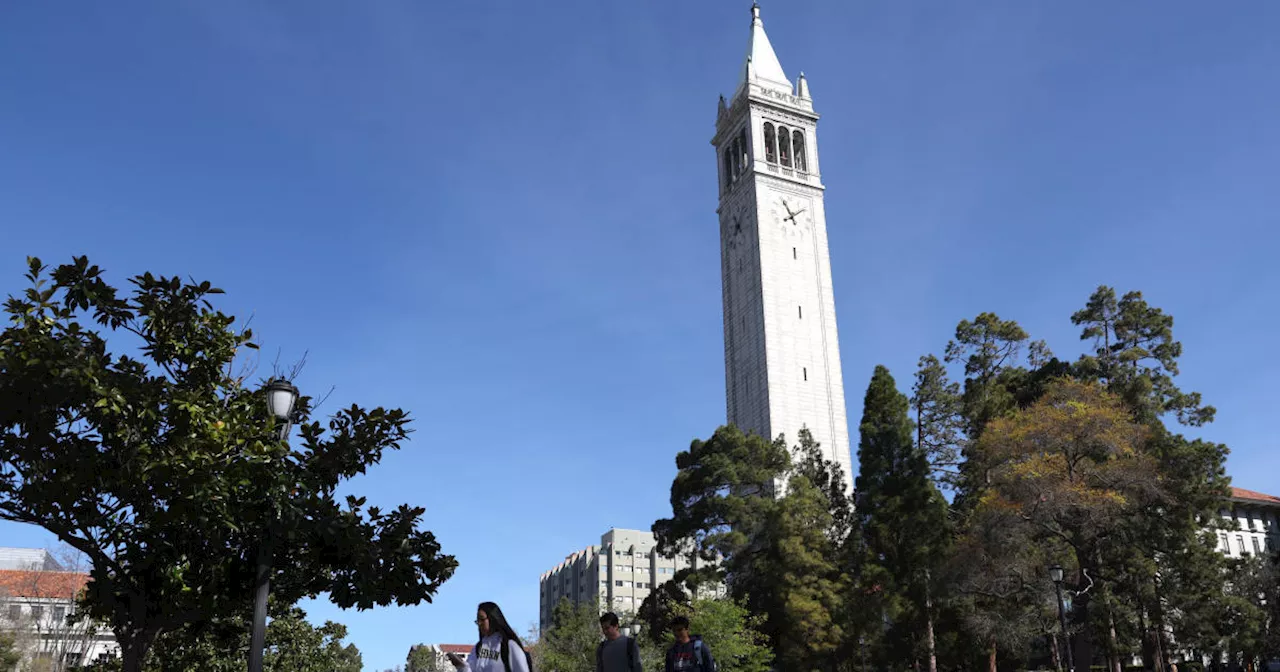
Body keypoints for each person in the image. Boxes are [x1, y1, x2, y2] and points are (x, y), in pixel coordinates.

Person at [447, 602, 532, 672]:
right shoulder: (478, 648)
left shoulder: (510, 646)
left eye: (482, 619)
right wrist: (461, 666)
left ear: (493, 618)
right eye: (478, 621)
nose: (479, 624)